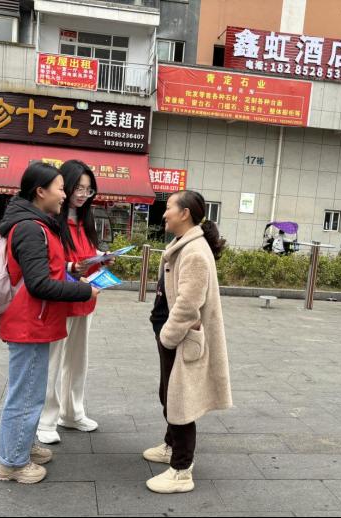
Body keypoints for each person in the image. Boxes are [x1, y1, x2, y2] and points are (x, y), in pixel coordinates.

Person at [0, 162, 100, 485]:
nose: (65, 195)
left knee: (32, 391)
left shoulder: (38, 224)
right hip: (29, 322)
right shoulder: (30, 227)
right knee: (25, 395)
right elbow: (39, 283)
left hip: (38, 321)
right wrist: (83, 290)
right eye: (61, 188)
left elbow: (47, 268)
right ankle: (12, 463)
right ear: (40, 192)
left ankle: (23, 446)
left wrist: (71, 268)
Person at [144, 190, 233, 494]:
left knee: (180, 401)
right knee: (168, 394)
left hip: (180, 338)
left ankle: (182, 470)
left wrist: (168, 337)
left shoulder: (194, 251)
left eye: (169, 207)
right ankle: (171, 445)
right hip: (173, 334)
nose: (164, 213)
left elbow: (188, 304)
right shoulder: (183, 243)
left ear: (185, 214)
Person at [37, 160, 113, 444]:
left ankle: (72, 412)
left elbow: (85, 257)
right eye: (78, 188)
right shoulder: (51, 220)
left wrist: (101, 259)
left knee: (77, 360)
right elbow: (47, 263)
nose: (82, 194)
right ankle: (45, 420)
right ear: (65, 186)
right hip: (60, 301)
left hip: (85, 299)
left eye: (88, 189)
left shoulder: (85, 221)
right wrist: (72, 266)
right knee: (52, 362)